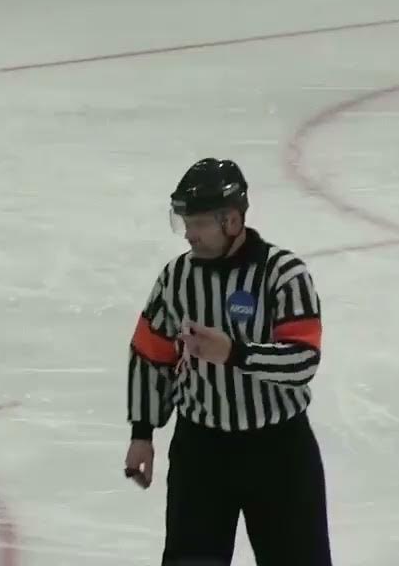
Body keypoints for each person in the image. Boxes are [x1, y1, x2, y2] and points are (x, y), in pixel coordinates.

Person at [124, 158, 331, 565]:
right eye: (184, 222)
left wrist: (236, 353)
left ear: (232, 221)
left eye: (198, 223)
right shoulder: (177, 277)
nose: (188, 234)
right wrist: (142, 433)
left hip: (278, 454)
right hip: (202, 453)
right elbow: (151, 353)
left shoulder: (284, 274)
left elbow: (302, 360)